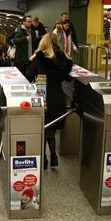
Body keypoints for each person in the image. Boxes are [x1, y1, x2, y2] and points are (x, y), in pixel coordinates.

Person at [26, 33, 73, 169]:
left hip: (43, 97)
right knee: (50, 129)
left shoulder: (40, 58)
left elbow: (28, 76)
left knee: (41, 128)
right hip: (57, 98)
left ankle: (44, 159)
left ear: (43, 43)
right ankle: (53, 156)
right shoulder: (64, 59)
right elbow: (67, 78)